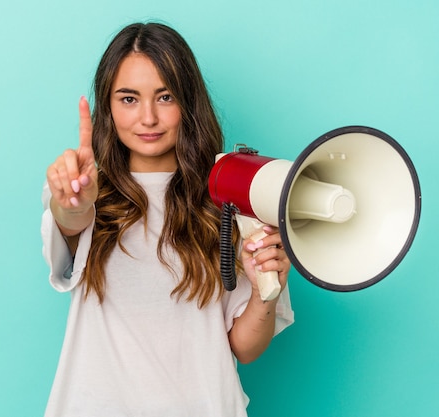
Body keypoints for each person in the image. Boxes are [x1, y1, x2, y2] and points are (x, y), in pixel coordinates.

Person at [41, 22, 294, 417]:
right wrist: (74, 199)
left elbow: (244, 348)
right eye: (128, 99)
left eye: (165, 96)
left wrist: (267, 291)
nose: (148, 117)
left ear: (188, 102)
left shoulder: (232, 197)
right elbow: (70, 217)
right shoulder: (83, 191)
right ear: (107, 105)